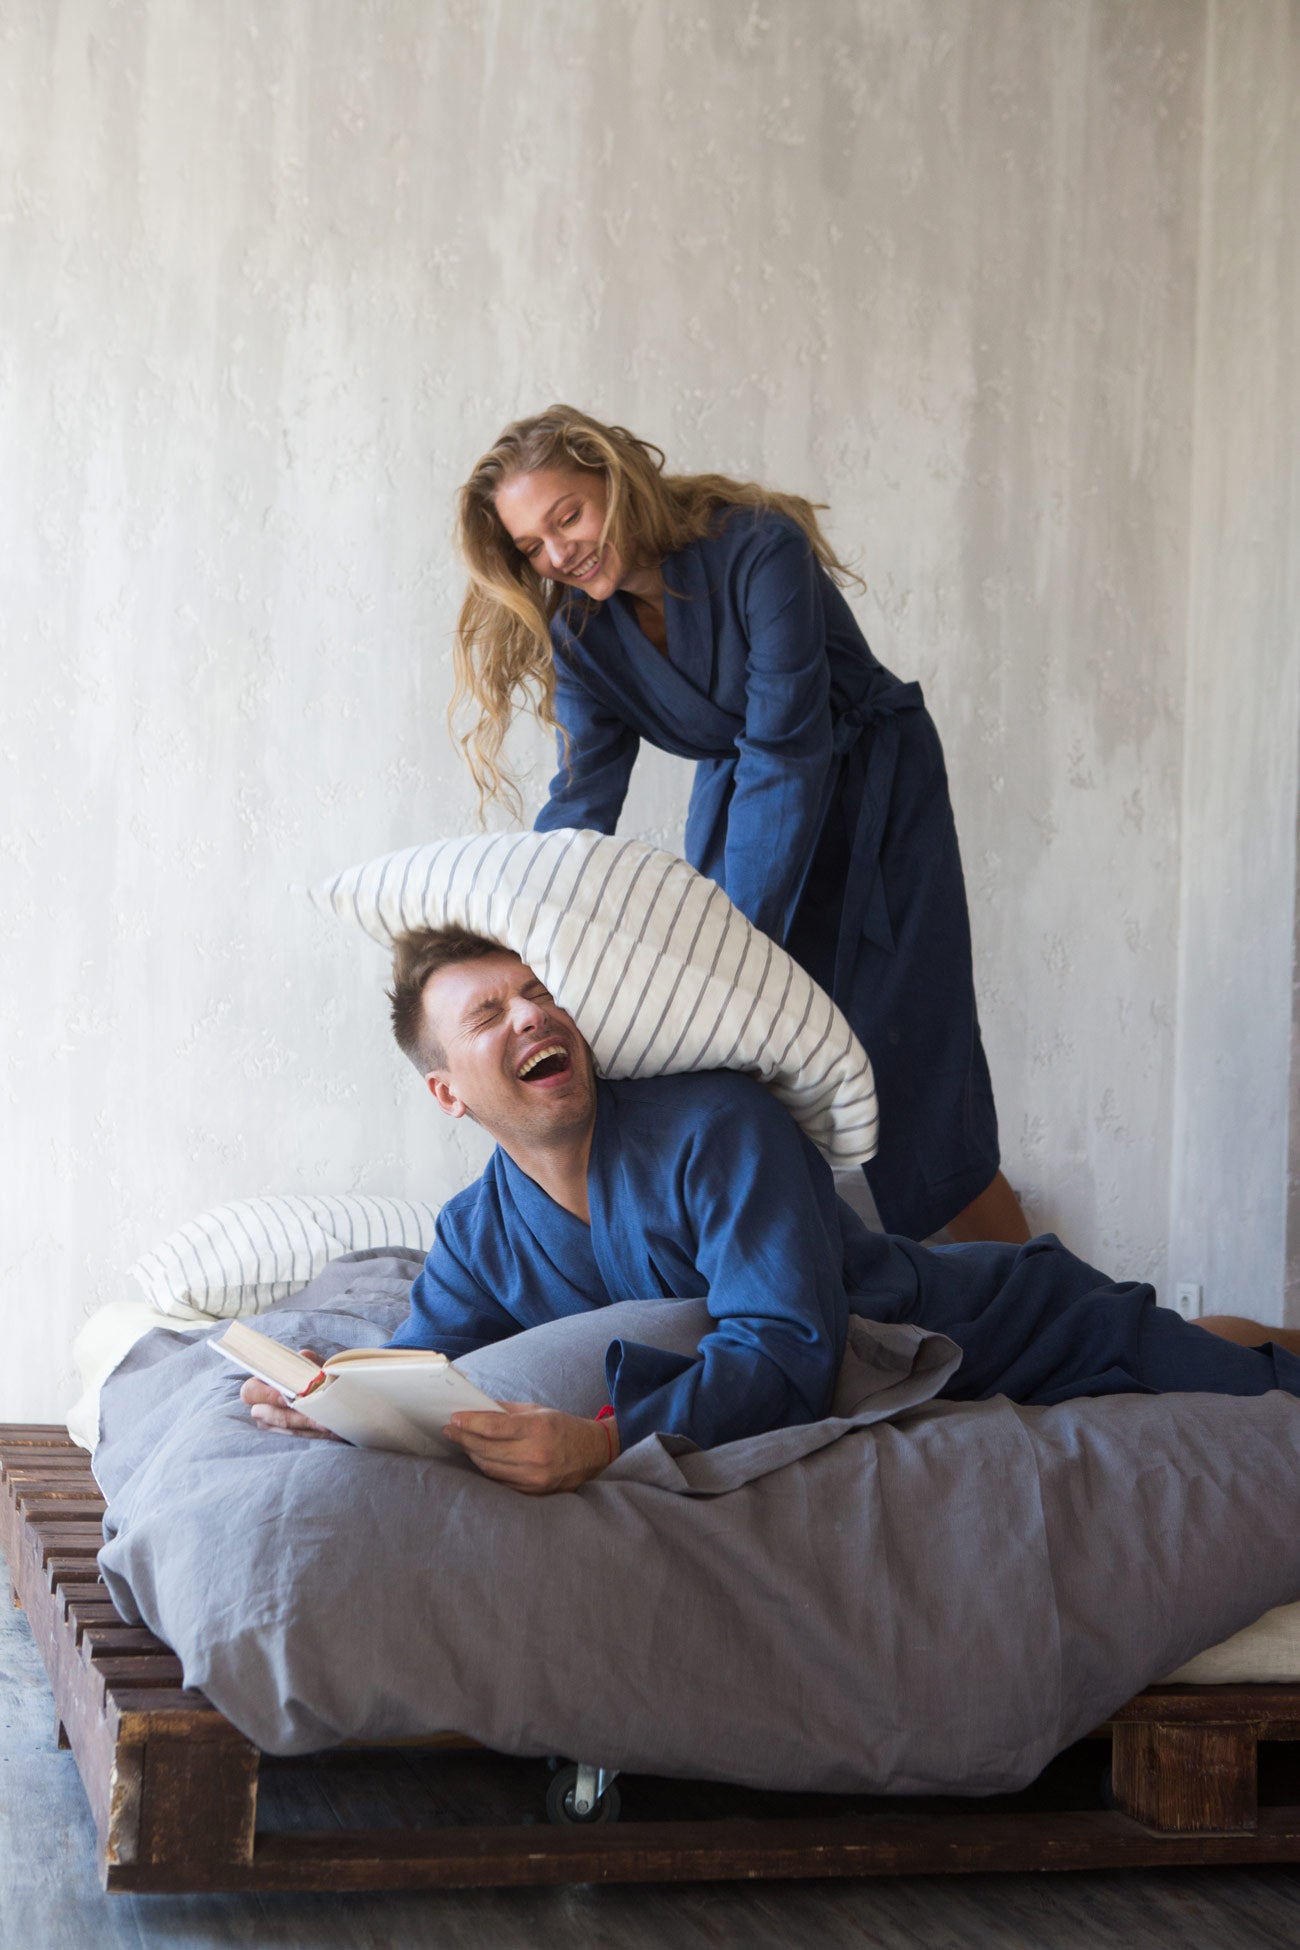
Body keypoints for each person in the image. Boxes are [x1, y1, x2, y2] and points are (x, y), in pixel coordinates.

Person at [244, 928, 1300, 1494]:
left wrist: (609, 1442)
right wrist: (336, 1404)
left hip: (1009, 1326)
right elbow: (429, 1371)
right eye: (489, 1012)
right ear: (446, 1091)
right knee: (1207, 1342)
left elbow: (788, 1347)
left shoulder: (716, 1124)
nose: (532, 1013)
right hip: (949, 1351)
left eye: (539, 991)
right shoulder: (480, 1231)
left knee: (1251, 1388)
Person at [451, 405, 1029, 1247]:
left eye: (567, 517)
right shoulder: (581, 633)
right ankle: (805, 1288)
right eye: (533, 546)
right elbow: (580, 803)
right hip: (744, 801)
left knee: (906, 1068)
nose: (558, 554)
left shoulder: (759, 546)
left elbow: (788, 749)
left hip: (869, 791)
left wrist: (736, 942)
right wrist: (520, 940)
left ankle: (1032, 1291)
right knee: (742, 1057)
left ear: (614, 478)